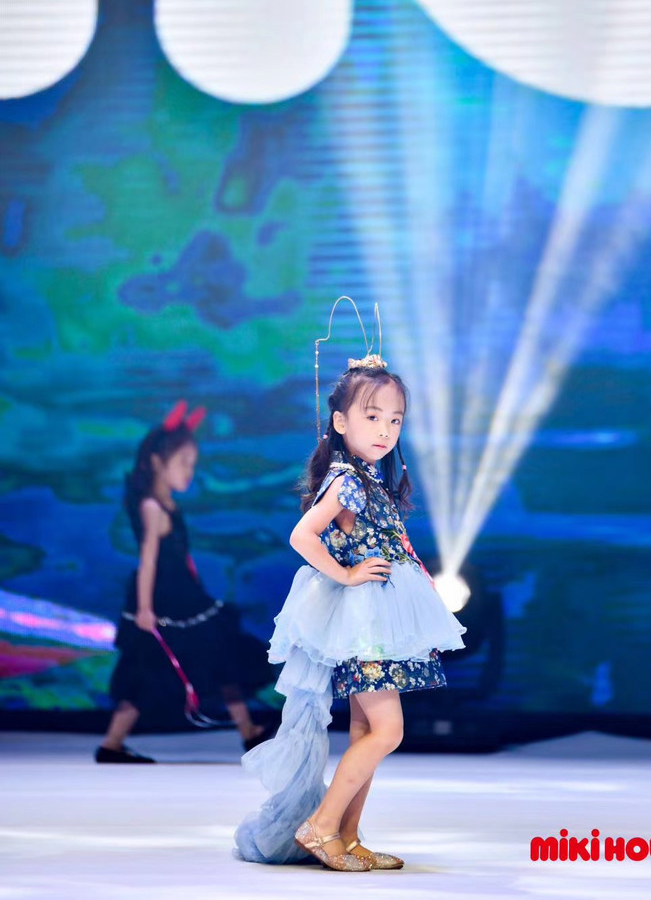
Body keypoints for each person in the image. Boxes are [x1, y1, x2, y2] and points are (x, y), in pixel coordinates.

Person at [234, 346, 466, 870]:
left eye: (395, 420)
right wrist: (344, 574)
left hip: (377, 620)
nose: (385, 430)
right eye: (372, 416)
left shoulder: (369, 480)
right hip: (365, 625)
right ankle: (321, 828)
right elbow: (303, 535)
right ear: (340, 422)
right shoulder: (347, 481)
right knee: (388, 731)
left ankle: (347, 836)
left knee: (366, 731)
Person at [96, 401, 273, 763]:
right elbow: (148, 560)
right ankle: (111, 744)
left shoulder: (167, 504)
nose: (189, 472)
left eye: (192, 464)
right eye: (182, 463)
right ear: (156, 462)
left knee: (220, 654)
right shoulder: (152, 507)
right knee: (145, 668)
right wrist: (145, 608)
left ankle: (248, 731)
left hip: (183, 594)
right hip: (165, 599)